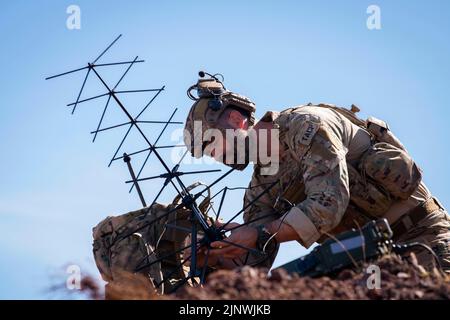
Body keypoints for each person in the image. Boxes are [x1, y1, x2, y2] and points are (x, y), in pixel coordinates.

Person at [183, 71, 450, 272]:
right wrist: (218, 252)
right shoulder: (260, 186)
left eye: (211, 144)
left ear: (234, 120)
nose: (216, 157)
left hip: (424, 237)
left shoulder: (306, 125)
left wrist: (259, 232)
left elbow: (328, 204)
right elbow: (254, 265)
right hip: (368, 263)